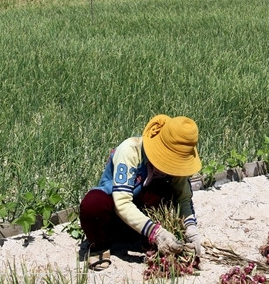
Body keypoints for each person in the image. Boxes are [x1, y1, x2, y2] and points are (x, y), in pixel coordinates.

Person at [79, 114, 202, 269]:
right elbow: (122, 202)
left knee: (165, 190)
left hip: (142, 221)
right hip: (114, 215)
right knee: (93, 204)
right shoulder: (130, 150)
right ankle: (100, 246)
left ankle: (144, 241)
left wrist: (191, 231)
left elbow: (183, 198)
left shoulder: (178, 165)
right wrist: (157, 233)